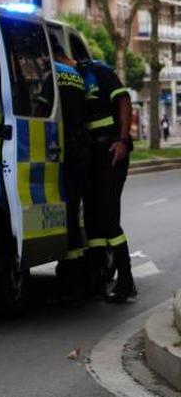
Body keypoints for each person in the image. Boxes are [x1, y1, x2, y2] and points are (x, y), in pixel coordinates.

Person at [78, 55, 136, 302]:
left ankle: (126, 281)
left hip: (112, 151)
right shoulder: (74, 78)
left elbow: (124, 101)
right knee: (93, 220)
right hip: (93, 155)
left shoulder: (99, 71)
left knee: (108, 217)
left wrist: (122, 140)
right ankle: (98, 280)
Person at [51, 37, 90, 300]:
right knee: (75, 208)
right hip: (83, 148)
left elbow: (43, 106)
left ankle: (70, 271)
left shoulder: (53, 75)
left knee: (66, 209)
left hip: (65, 148)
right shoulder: (77, 76)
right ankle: (80, 267)